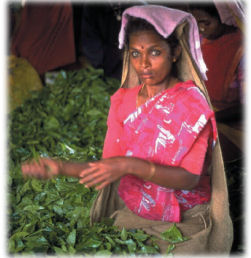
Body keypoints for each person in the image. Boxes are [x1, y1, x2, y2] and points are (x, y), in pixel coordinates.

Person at [21, 5, 233, 255]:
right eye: (135, 54)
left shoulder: (191, 103)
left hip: (186, 217)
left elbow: (189, 178)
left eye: (154, 52)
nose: (143, 64)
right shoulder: (122, 102)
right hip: (136, 212)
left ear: (174, 52)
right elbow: (110, 164)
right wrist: (61, 168)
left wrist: (129, 166)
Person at [188, 2, 244, 162]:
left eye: (206, 23)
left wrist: (210, 118)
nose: (201, 29)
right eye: (196, 24)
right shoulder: (201, 41)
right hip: (208, 116)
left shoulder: (241, 48)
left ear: (223, 18)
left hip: (234, 128)